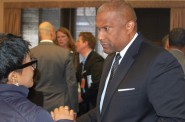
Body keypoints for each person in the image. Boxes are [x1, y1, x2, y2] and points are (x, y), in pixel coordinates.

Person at [77, 0, 185, 122]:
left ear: (129, 26)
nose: (100, 37)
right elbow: (104, 111)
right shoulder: (110, 60)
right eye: (98, 29)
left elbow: (175, 119)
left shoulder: (160, 61)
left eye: (106, 29)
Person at [0, 33, 74, 122]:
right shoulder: (34, 115)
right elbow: (71, 83)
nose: (33, 69)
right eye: (29, 64)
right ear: (14, 77)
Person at [30, 21, 78, 113]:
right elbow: (71, 83)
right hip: (60, 107)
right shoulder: (64, 54)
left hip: (35, 105)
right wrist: (74, 109)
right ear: (52, 33)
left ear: (40, 34)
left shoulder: (31, 53)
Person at [75, 32, 104, 116]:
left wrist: (82, 97)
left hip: (94, 105)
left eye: (78, 41)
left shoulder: (96, 61)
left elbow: (97, 84)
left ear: (85, 43)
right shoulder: (81, 65)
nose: (75, 43)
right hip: (85, 106)